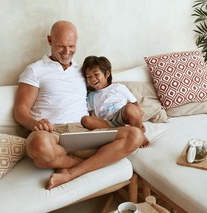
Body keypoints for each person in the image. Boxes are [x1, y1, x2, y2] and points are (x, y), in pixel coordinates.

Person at [13, 20, 144, 190]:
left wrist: (131, 108)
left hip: (85, 131)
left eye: (72, 46)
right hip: (53, 133)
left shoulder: (83, 71)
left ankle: (70, 172)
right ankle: (84, 162)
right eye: (61, 46)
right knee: (36, 145)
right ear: (49, 40)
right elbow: (20, 110)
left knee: (135, 135)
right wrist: (36, 124)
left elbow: (105, 90)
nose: (67, 52)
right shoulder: (34, 70)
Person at [80, 56, 149, 147]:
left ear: (107, 73)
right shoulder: (91, 96)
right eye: (88, 76)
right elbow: (91, 115)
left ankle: (139, 135)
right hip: (107, 123)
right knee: (85, 120)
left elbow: (135, 105)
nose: (92, 79)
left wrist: (139, 121)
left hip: (121, 116)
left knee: (130, 108)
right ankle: (122, 131)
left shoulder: (118, 87)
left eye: (96, 74)